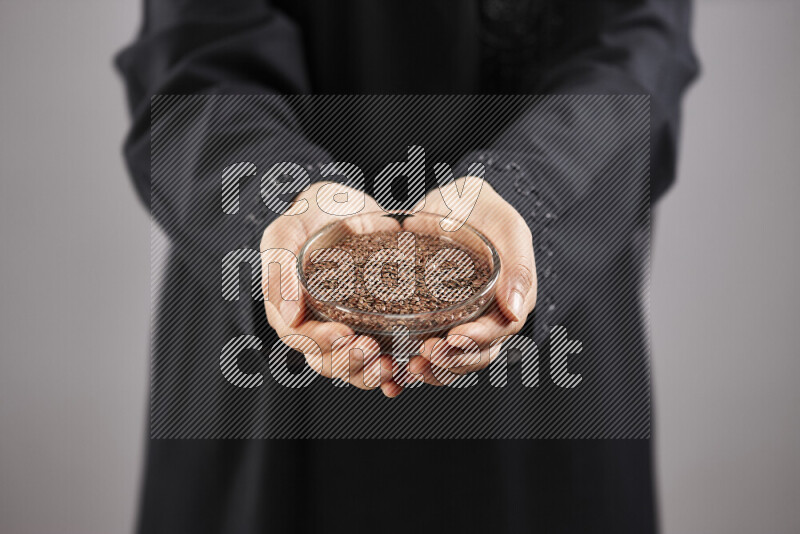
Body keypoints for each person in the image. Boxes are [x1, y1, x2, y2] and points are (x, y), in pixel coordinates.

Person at [117, 1, 698, 532]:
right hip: (273, 344)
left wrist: (531, 194)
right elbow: (193, 58)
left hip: (550, 354)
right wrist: (281, 201)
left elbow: (639, 49)